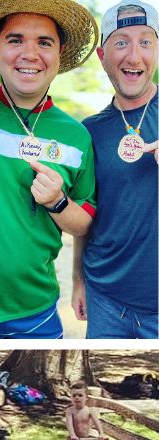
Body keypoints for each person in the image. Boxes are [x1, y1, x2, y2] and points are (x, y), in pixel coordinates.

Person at [0, 0, 98, 338]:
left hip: (37, 311)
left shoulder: (76, 136)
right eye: (15, 40)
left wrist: (57, 201)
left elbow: (84, 221)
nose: (30, 54)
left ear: (60, 53)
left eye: (44, 42)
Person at [73, 2, 158, 338]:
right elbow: (87, 213)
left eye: (145, 42)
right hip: (105, 300)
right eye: (121, 42)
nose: (134, 57)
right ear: (102, 55)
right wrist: (78, 281)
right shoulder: (88, 131)